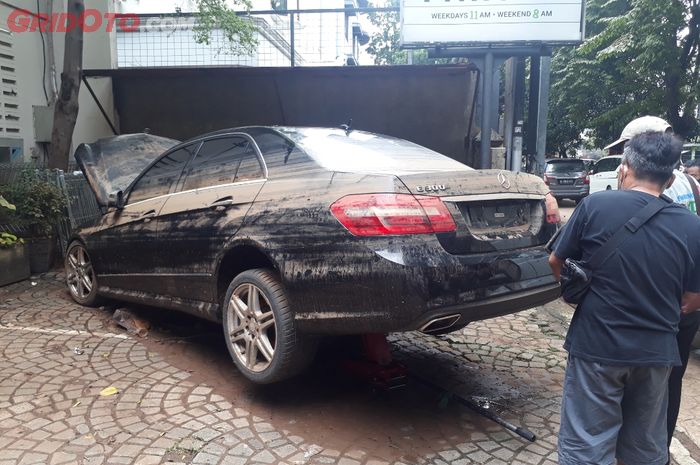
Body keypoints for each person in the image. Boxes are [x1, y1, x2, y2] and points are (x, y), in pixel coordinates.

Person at [550, 131, 700, 465]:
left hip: (597, 346)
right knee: (644, 448)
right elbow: (693, 300)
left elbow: (555, 262)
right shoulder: (692, 226)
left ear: (625, 167)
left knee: (587, 445)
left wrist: (575, 294)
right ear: (672, 176)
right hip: (656, 352)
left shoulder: (595, 206)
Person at [606, 116, 700, 463]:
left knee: (628, 378)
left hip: (643, 303)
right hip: (683, 304)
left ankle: (623, 448)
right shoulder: (691, 184)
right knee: (669, 380)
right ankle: (656, 449)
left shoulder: (635, 185)